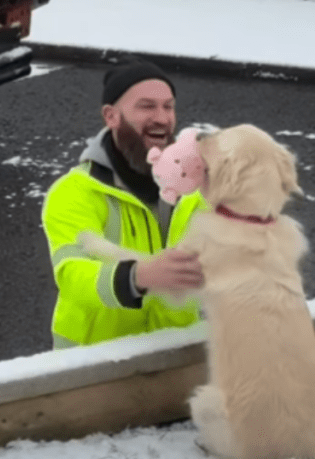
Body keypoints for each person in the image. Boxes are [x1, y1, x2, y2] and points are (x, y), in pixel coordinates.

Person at [41, 59, 206, 349]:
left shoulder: (196, 188)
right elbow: (72, 275)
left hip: (175, 356)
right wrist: (136, 276)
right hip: (95, 368)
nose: (162, 118)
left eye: (168, 106)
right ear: (111, 116)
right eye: (146, 106)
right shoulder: (74, 192)